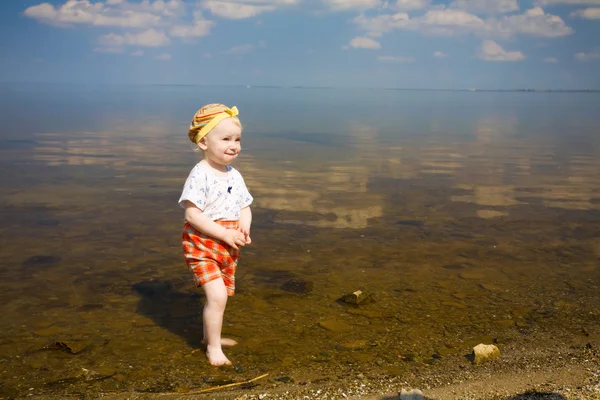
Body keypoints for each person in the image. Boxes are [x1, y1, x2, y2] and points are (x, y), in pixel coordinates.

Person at [178, 103, 253, 366]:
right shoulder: (200, 174)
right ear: (203, 142)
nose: (234, 145)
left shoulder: (234, 175)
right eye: (226, 139)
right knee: (217, 296)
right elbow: (192, 215)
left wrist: (243, 227)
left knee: (221, 297)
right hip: (202, 244)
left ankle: (211, 336)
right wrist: (224, 233)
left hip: (227, 243)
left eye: (237, 139)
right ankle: (213, 348)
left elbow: (245, 206)